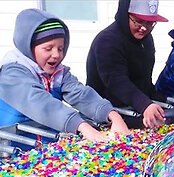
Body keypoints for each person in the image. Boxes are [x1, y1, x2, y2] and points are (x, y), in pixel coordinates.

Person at [0, 8, 130, 142]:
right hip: (12, 150)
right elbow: (41, 104)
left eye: (60, 48)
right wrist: (81, 126)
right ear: (28, 47)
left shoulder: (58, 72)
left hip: (44, 149)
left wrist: (112, 115)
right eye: (48, 48)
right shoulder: (12, 74)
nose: (56, 54)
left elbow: (81, 94)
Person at [86, 0, 168, 129]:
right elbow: (117, 82)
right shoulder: (107, 40)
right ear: (125, 15)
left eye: (150, 23)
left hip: (133, 110)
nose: (144, 28)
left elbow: (144, 79)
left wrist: (160, 99)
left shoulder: (146, 40)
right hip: (105, 116)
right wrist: (144, 104)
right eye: (139, 21)